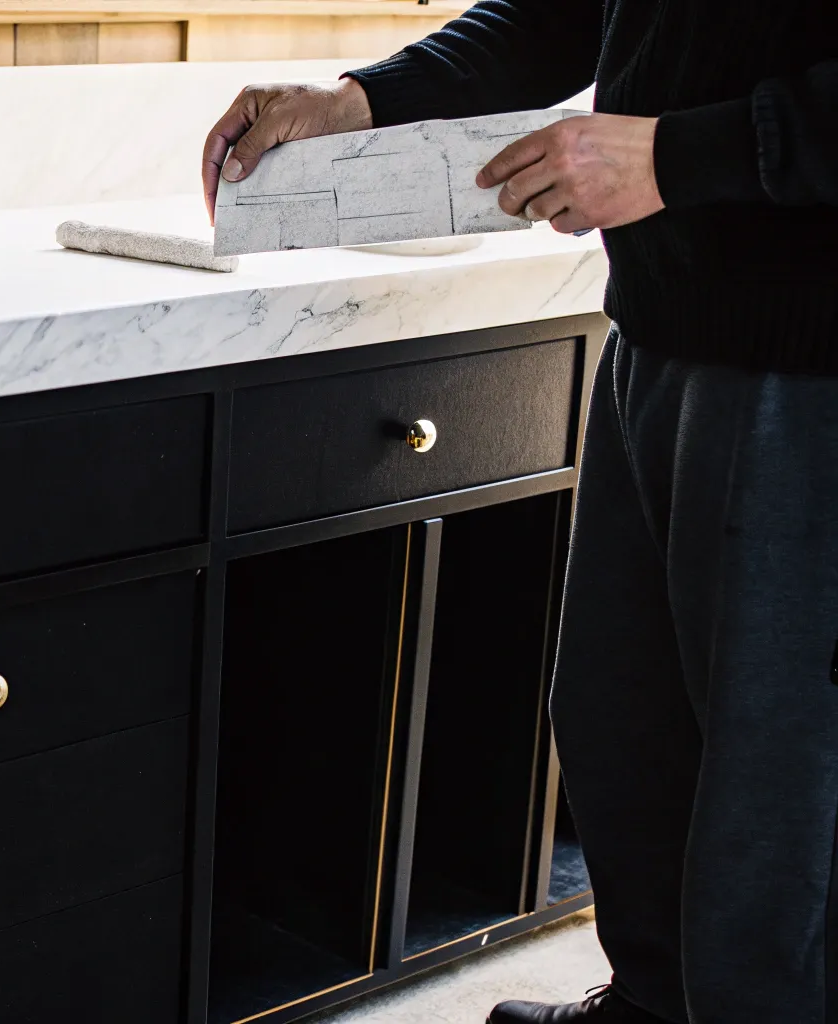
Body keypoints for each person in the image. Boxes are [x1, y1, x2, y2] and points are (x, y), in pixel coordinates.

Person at [201, 4, 838, 1022]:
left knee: (778, 797)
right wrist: (361, 100)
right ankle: (652, 1003)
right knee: (620, 725)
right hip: (662, 332)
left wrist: (676, 156)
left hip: (808, 370)